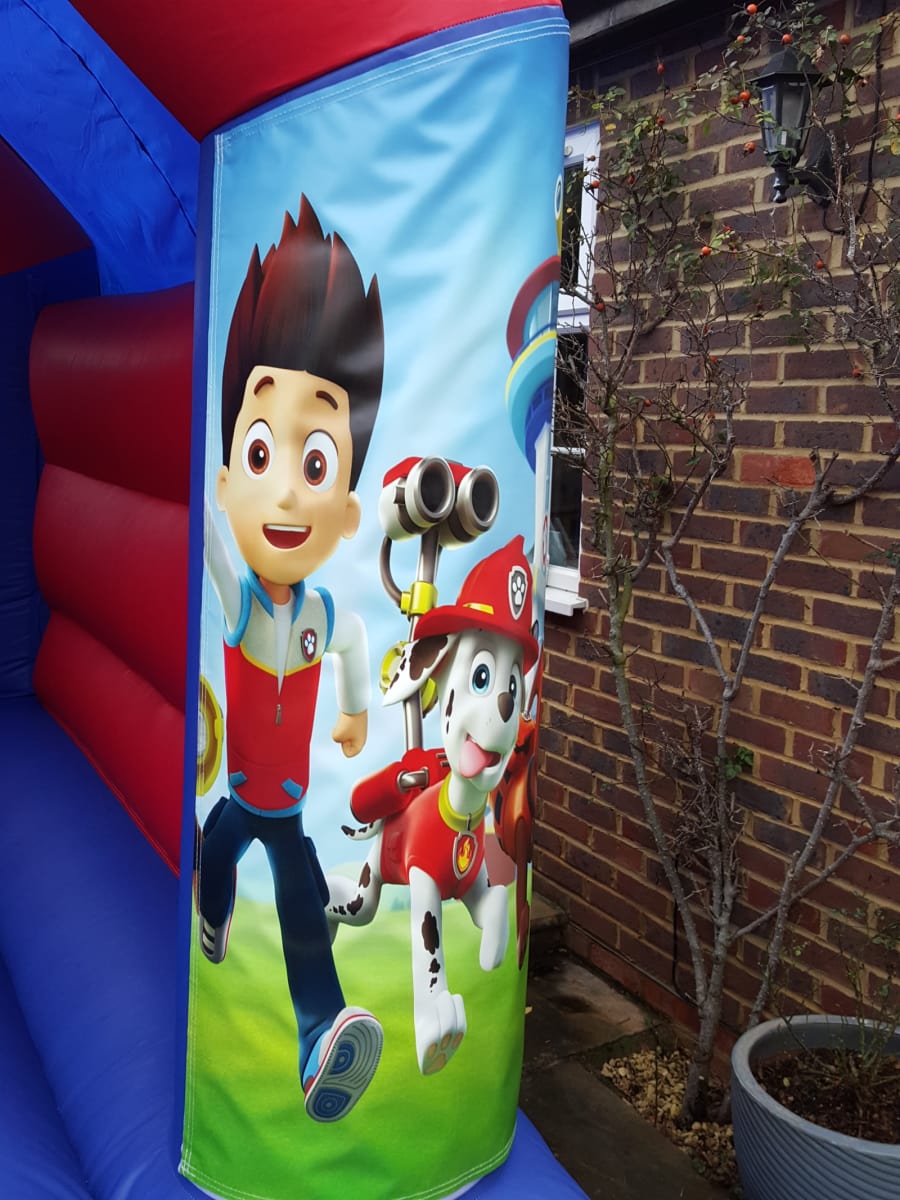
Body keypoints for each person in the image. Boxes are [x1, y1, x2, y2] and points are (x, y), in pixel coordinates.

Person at [198, 195, 384, 1123]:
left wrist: (354, 707)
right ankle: (212, 905)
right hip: (241, 794)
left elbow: (352, 642)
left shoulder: (320, 612)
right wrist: (203, 495)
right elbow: (213, 544)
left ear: (344, 510)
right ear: (231, 478)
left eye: (313, 465)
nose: (284, 496)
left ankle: (321, 1040)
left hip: (292, 806)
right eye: (262, 452)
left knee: (302, 903)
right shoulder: (242, 608)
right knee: (218, 848)